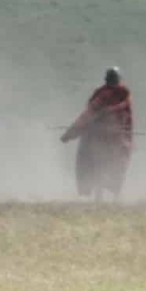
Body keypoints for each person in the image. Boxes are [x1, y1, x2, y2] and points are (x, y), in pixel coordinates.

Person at [60, 67, 135, 200]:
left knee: (112, 164)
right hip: (107, 138)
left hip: (112, 137)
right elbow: (89, 115)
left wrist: (70, 133)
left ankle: (109, 197)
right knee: (106, 164)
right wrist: (71, 133)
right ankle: (106, 196)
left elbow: (88, 116)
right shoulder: (114, 94)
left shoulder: (118, 94)